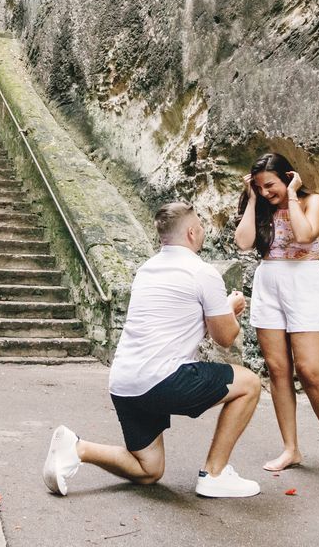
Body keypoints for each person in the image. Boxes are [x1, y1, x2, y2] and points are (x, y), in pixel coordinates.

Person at [42, 202, 263, 498]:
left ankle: (77, 447)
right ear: (192, 232)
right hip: (162, 380)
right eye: (200, 227)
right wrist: (230, 308)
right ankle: (216, 473)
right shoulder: (202, 272)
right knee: (249, 383)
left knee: (149, 471)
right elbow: (224, 337)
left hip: (124, 383)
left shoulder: (147, 269)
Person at [235, 153, 319, 478]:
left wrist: (289, 196)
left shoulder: (314, 200)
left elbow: (304, 235)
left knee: (311, 370)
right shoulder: (260, 206)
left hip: (305, 281)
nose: (266, 191)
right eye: (259, 186)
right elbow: (244, 243)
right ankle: (291, 448)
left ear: (287, 177)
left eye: (269, 184)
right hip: (268, 281)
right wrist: (252, 200)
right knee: (277, 369)